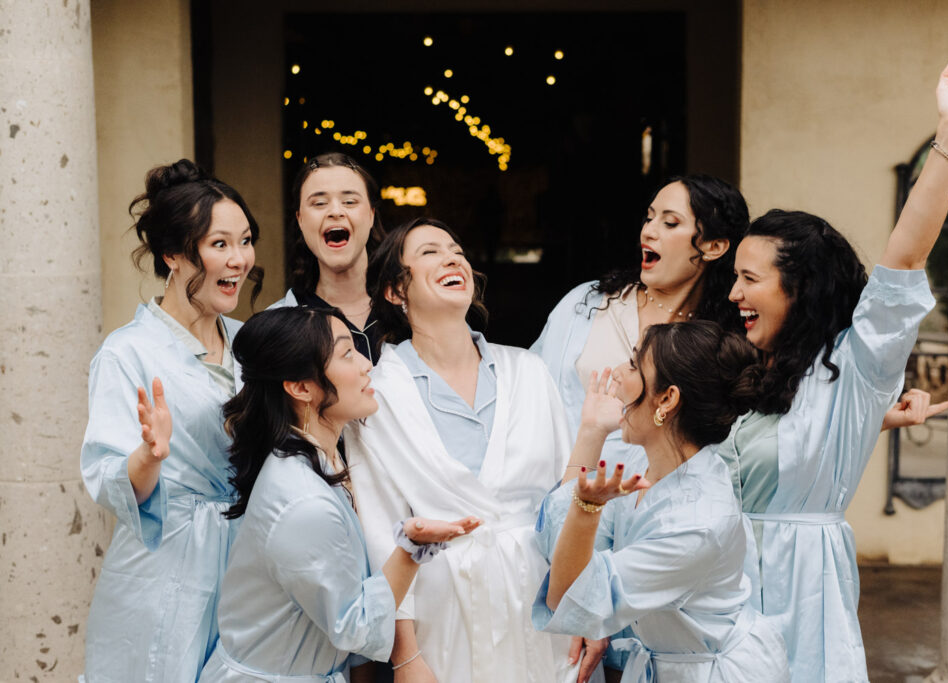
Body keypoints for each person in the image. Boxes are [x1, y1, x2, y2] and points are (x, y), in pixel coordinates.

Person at [718, 49, 948, 681]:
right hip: (719, 588)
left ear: (796, 287)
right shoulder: (735, 368)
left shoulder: (853, 366)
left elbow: (904, 259)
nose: (733, 294)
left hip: (804, 598)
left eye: (748, 279)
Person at [345, 218, 597, 682]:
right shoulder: (377, 396)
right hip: (442, 616)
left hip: (542, 605)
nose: (452, 257)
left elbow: (568, 505)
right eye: (428, 252)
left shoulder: (528, 371)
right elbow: (381, 532)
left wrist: (587, 609)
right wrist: (405, 657)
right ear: (395, 292)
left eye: (456, 249)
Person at [199, 307, 480, 682]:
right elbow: (357, 629)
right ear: (301, 388)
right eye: (347, 353)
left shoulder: (315, 461)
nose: (367, 364)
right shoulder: (303, 502)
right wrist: (411, 548)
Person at [80, 159, 262, 681]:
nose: (240, 259)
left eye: (245, 241)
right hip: (163, 572)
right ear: (175, 255)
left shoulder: (250, 343)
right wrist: (147, 457)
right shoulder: (127, 353)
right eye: (219, 244)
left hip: (246, 563)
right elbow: (110, 481)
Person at [533, 322, 790, 683]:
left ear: (667, 399)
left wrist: (586, 509)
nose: (619, 374)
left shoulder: (697, 523)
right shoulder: (642, 465)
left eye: (635, 365)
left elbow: (573, 599)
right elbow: (557, 550)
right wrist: (591, 433)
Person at [532, 175, 749, 476]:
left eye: (670, 223)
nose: (648, 231)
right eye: (649, 218)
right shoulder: (586, 304)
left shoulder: (721, 338)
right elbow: (529, 390)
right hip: (560, 490)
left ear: (714, 246)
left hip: (653, 505)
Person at [271, 153, 386, 363]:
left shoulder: (409, 311)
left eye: (349, 201)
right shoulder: (279, 325)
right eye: (319, 203)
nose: (335, 211)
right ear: (300, 219)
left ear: (371, 215)